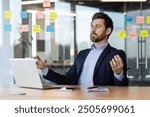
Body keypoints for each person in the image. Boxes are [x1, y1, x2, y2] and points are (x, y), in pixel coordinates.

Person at [35, 12, 129, 87]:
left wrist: (118, 74)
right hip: (77, 98)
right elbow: (67, 80)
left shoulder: (116, 54)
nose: (93, 29)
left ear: (108, 31)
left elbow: (122, 87)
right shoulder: (82, 54)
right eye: (92, 26)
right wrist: (45, 69)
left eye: (98, 27)